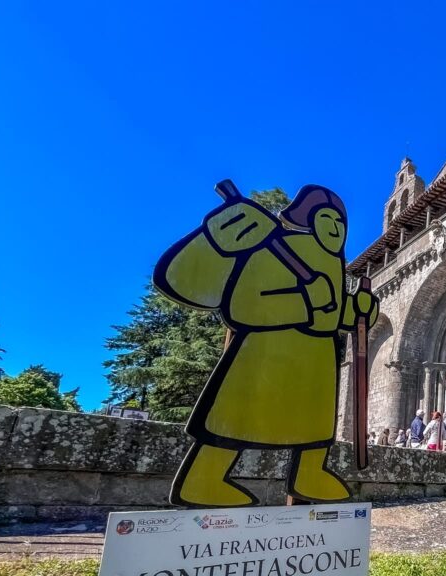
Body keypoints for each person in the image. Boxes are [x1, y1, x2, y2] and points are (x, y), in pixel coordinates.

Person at [152, 185, 378, 506]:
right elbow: (244, 304)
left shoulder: (331, 264)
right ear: (308, 221)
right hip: (265, 354)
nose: (335, 229)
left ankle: (308, 474)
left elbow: (335, 311)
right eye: (327, 219)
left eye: (340, 224)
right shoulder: (274, 252)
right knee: (237, 416)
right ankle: (203, 479)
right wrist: (303, 300)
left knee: (313, 421)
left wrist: (360, 310)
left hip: (315, 363)